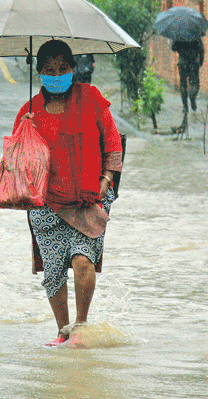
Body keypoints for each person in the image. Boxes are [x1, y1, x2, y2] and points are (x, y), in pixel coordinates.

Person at [14, 40, 123, 347]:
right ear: (39, 73)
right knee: (53, 272)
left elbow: (113, 142)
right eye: (49, 70)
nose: (57, 74)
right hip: (46, 203)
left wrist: (107, 178)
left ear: (73, 69)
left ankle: (81, 327)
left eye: (63, 68)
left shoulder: (91, 98)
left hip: (90, 197)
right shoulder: (29, 110)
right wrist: (25, 130)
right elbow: (19, 164)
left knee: (82, 261)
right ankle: (63, 331)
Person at [171, 38, 204, 113]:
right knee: (195, 83)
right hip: (194, 63)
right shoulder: (195, 34)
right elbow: (201, 49)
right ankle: (192, 98)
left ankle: (185, 107)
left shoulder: (178, 35)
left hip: (183, 63)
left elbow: (173, 48)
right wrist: (200, 61)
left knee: (183, 85)